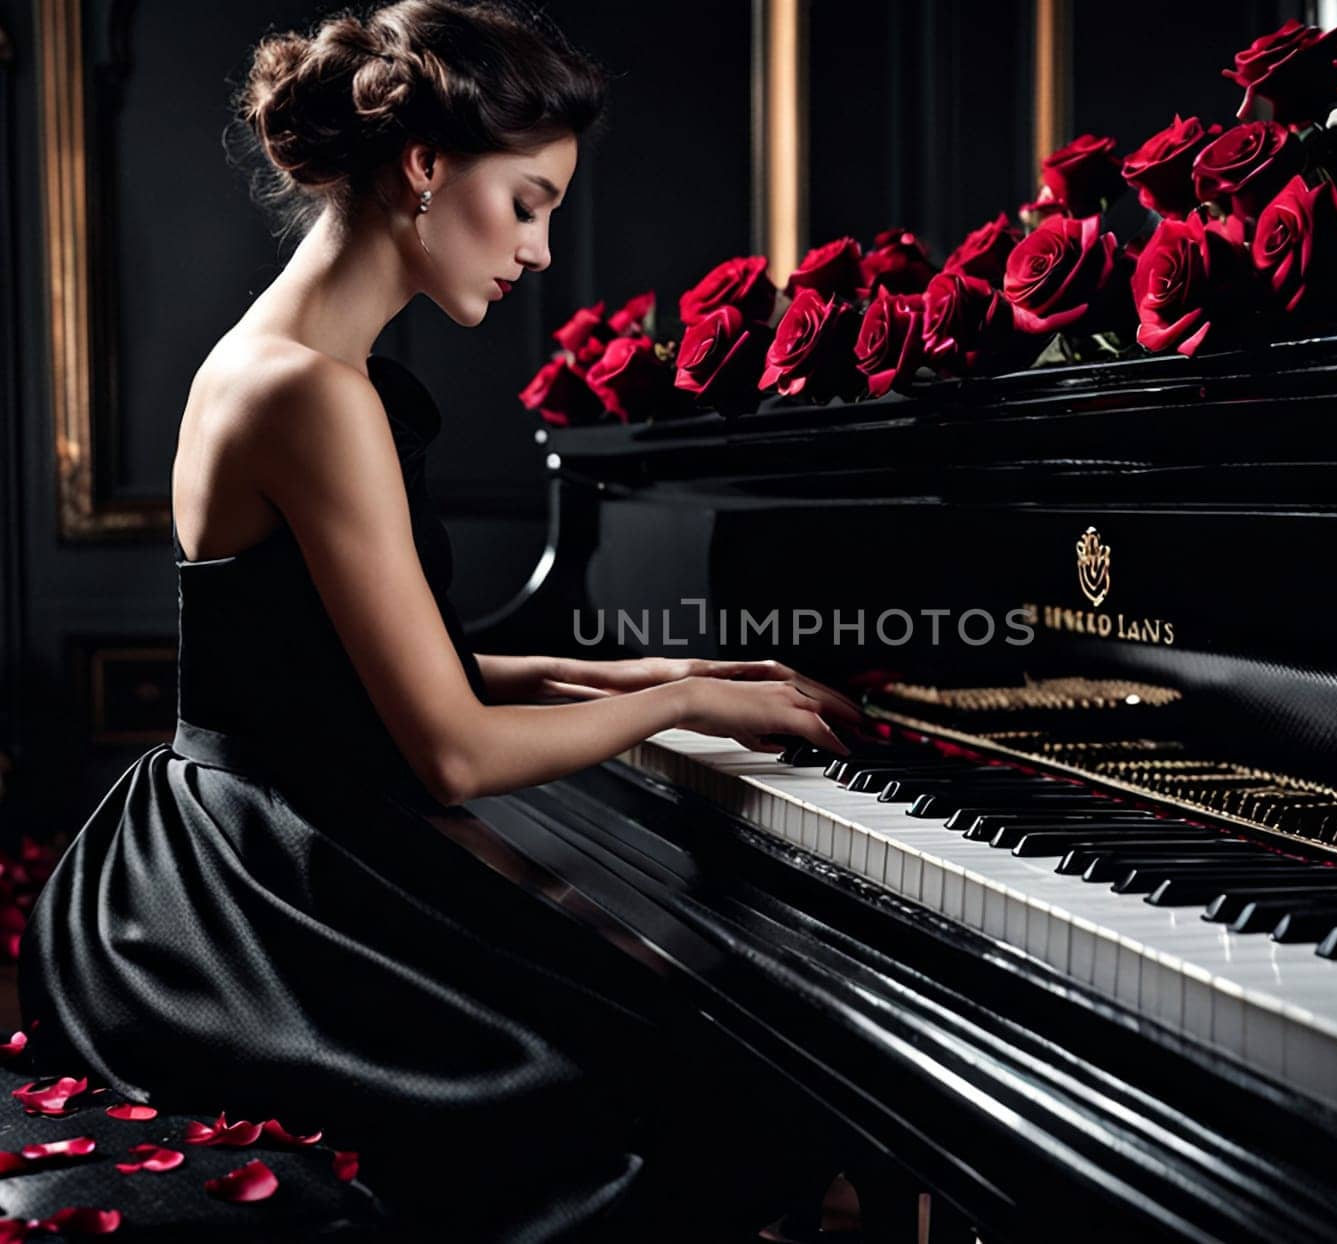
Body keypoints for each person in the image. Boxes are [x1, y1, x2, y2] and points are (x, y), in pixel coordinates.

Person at [18, 1, 862, 1239]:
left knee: (695, 1070)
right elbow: (451, 750)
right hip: (251, 908)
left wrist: (655, 663)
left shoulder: (285, 360)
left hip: (223, 852)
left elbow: (360, 664)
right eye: (526, 201)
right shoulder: (312, 392)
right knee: (668, 1110)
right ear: (424, 167)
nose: (538, 249)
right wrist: (676, 705)